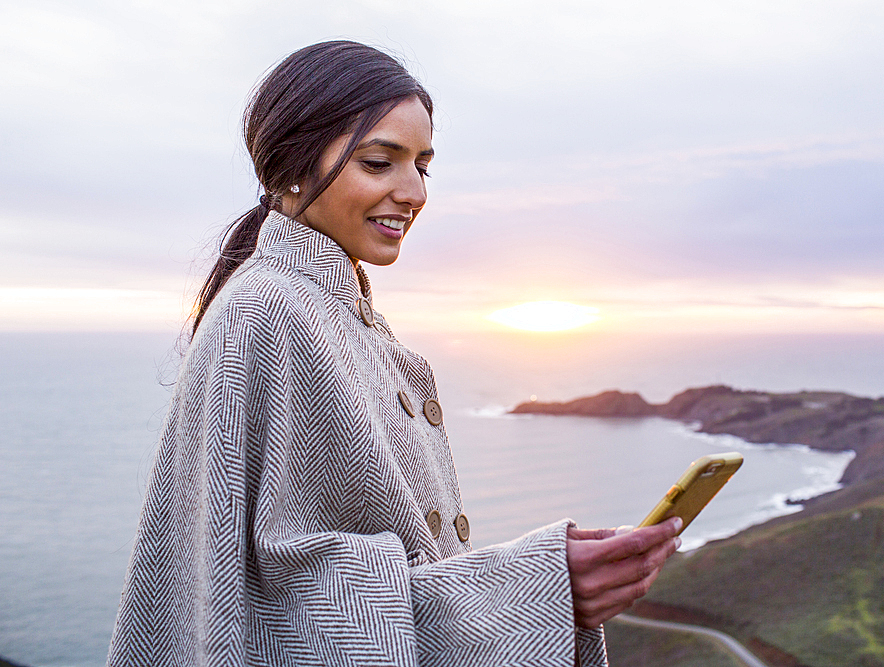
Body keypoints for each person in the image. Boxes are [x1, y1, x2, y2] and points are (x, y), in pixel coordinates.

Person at [108, 40, 683, 667]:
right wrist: (538, 588)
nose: (414, 193)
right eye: (380, 163)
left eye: (423, 166)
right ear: (292, 166)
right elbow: (278, 611)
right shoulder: (266, 310)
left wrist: (540, 578)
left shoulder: (340, 315)